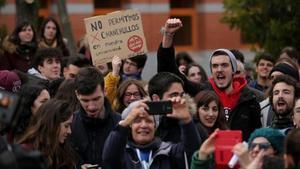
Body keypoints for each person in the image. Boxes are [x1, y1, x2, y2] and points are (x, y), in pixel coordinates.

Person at [157, 18, 261, 140]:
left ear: (233, 70)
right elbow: (169, 73)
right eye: (215, 66)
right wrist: (168, 36)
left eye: (224, 65)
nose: (219, 69)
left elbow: (256, 136)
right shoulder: (201, 91)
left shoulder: (251, 99)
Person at [103, 96, 200, 169]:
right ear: (130, 125)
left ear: (155, 126)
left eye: (149, 121)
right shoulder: (122, 152)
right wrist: (125, 123)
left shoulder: (169, 151)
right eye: (137, 121)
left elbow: (192, 150)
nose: (144, 125)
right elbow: (109, 157)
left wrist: (186, 121)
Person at [69, 67, 121, 169]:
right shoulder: (69, 125)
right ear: (77, 95)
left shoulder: (120, 124)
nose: (91, 106)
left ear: (105, 91)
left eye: (96, 99)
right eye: (85, 100)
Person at [18, 99, 76, 169]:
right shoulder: (26, 153)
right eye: (66, 126)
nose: (69, 131)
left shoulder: (62, 149)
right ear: (53, 125)